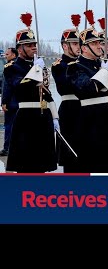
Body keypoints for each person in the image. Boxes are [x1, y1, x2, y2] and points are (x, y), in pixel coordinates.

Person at [67, 22, 108, 173]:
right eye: (94, 44)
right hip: (94, 125)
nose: (99, 46)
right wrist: (104, 72)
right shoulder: (75, 67)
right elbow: (86, 88)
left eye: (99, 43)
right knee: (98, 166)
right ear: (84, 48)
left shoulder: (102, 64)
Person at [5, 22, 59, 173]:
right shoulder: (12, 67)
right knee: (26, 164)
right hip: (26, 118)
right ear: (20, 49)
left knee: (43, 164)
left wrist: (55, 116)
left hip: (43, 117)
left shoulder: (38, 65)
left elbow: (47, 93)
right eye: (28, 45)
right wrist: (36, 71)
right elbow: (20, 86)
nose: (33, 47)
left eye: (34, 44)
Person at [51, 27, 81, 172]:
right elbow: (65, 85)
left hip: (86, 110)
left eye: (79, 43)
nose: (78, 47)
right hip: (70, 110)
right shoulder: (59, 66)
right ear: (65, 46)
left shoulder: (83, 63)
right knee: (71, 156)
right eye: (74, 43)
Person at [1, 47, 18, 156]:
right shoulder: (20, 66)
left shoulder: (9, 68)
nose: (6, 56)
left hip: (12, 103)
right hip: (20, 103)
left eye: (7, 54)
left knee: (9, 125)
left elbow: (7, 87)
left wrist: (4, 102)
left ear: (14, 55)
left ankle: (7, 148)